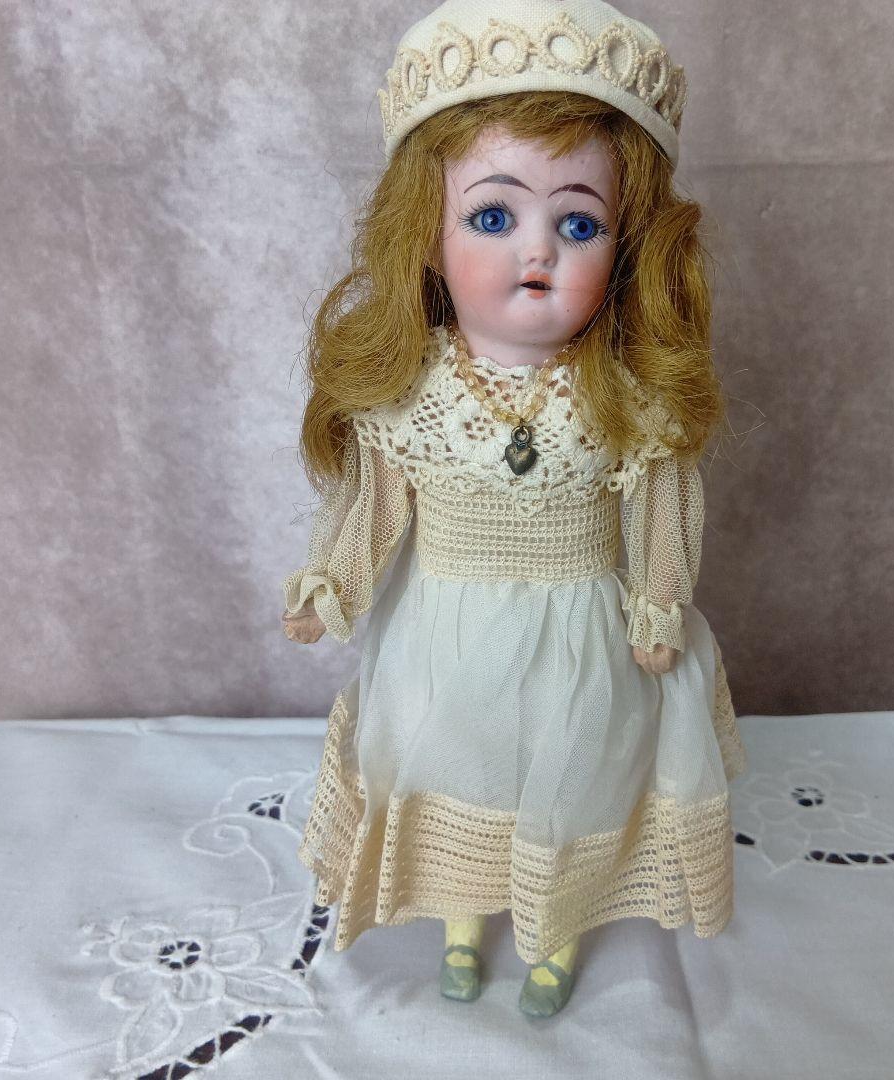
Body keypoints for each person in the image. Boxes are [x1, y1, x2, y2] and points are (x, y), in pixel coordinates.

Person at [281, 0, 747, 1018]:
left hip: (584, 639)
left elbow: (662, 501)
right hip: (444, 632)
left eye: (578, 224)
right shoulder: (411, 392)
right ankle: (463, 918)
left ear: (626, 249)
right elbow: (375, 505)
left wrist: (659, 601)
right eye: (493, 217)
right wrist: (334, 586)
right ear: (427, 234)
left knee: (570, 784)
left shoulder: (626, 393)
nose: (536, 252)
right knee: (461, 768)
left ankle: (556, 930)